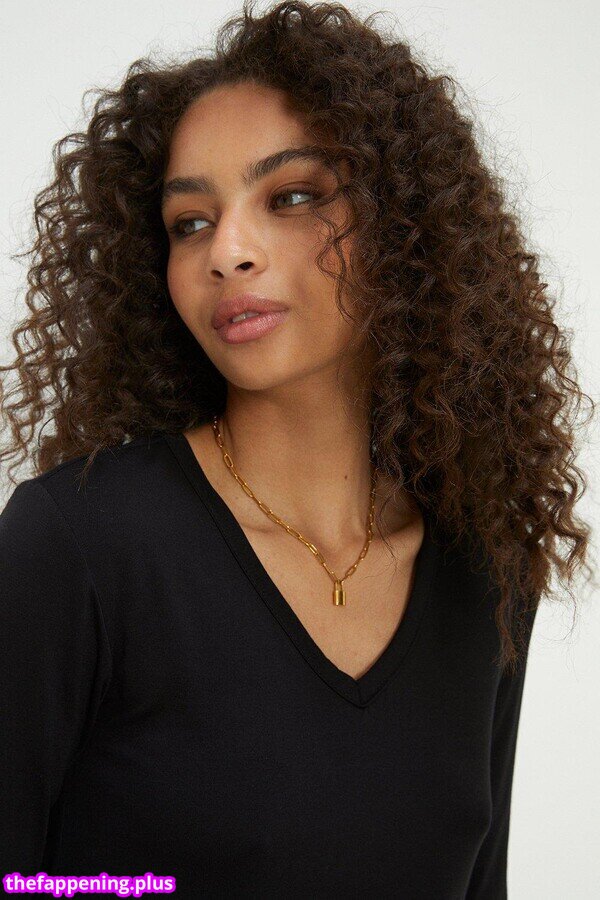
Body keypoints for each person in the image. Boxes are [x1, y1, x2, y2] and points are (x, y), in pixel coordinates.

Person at [0, 2, 593, 897]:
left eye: (292, 197)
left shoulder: (483, 573)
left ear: (404, 227)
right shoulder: (81, 545)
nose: (228, 251)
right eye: (190, 222)